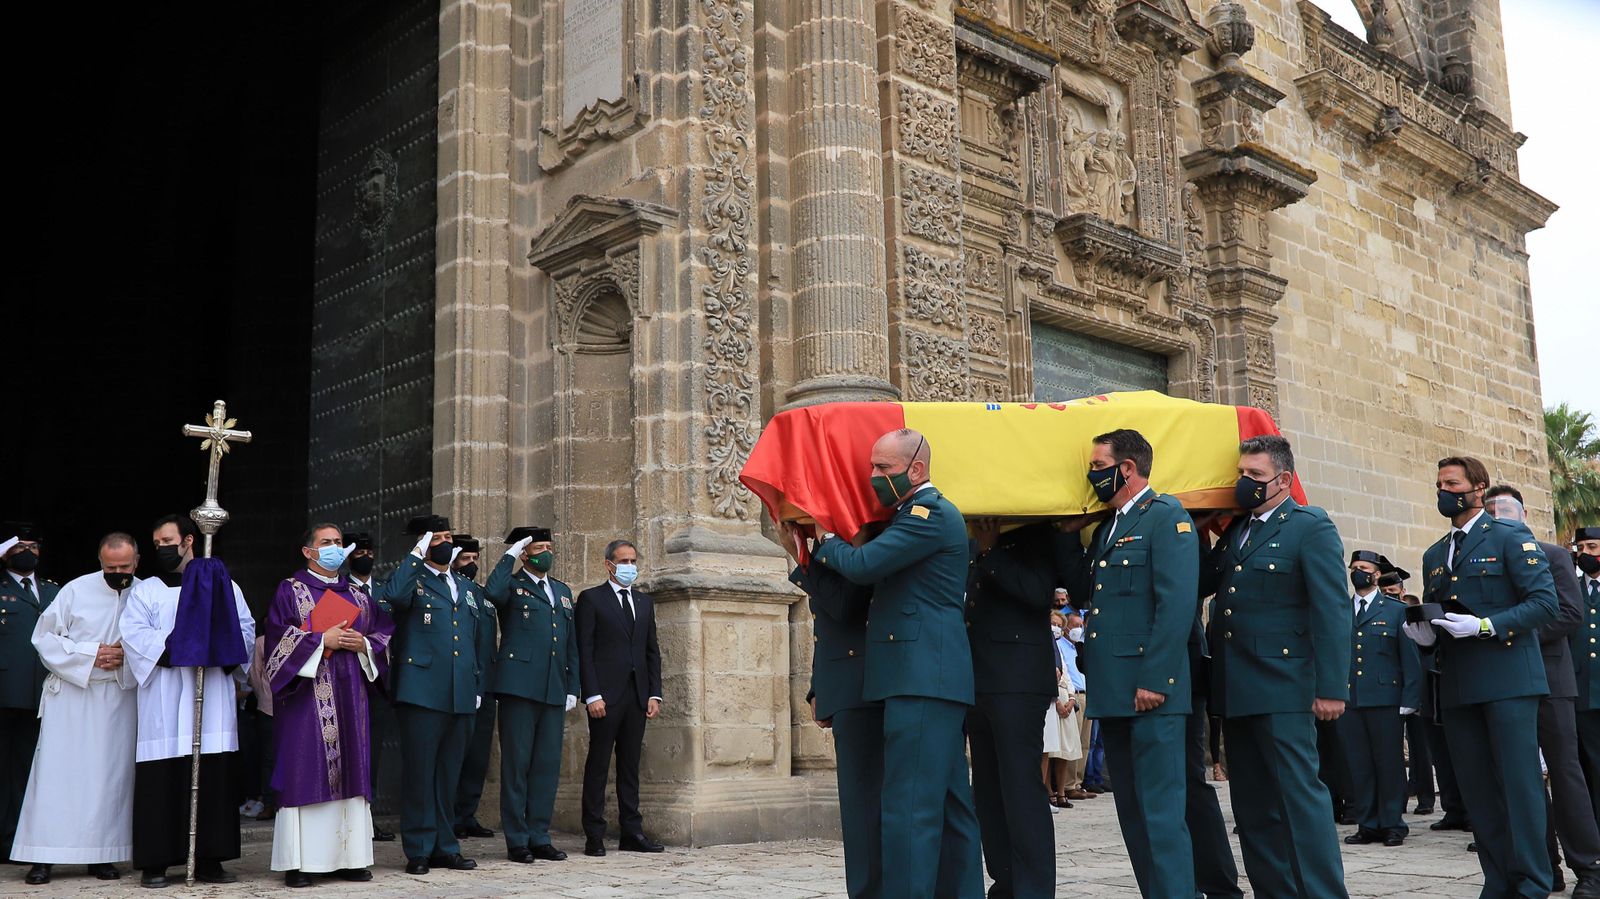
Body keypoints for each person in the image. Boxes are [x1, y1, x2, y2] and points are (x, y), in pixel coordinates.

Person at [810, 429, 983, 899]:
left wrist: (823, 539)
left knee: (909, 809)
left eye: (883, 469)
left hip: (921, 677)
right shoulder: (912, 515)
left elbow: (864, 565)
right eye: (871, 467)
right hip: (928, 676)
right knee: (948, 804)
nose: (873, 477)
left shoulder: (927, 514)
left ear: (917, 469)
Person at [1403, 457, 1558, 899]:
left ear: (1478, 489)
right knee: (1477, 789)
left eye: (1451, 483)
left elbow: (1544, 604)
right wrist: (1424, 635)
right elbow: (1439, 614)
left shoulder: (1510, 536)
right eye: (1438, 483)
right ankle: (1497, 880)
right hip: (1458, 683)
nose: (1443, 491)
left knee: (1518, 784)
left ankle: (1532, 881)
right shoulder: (1435, 553)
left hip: (1508, 677)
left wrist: (1486, 626)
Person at [1201, 435, 1349, 898]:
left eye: (1256, 476)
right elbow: (1205, 583)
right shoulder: (1235, 531)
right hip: (1236, 684)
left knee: (1299, 803)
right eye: (1241, 474)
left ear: (1283, 480)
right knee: (1252, 807)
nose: (1245, 483)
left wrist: (1332, 687)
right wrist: (1197, 523)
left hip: (1285, 687)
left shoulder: (1309, 525)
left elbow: (1332, 609)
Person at [1077, 428, 1196, 898]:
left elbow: (1176, 605)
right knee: (1131, 811)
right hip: (1114, 690)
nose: (1092, 474)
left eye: (1098, 466)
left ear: (1127, 468)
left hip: (1152, 692)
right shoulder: (1107, 527)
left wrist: (1156, 678)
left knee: (1161, 814)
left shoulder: (1166, 517)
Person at [120, 513, 254, 888]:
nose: (161, 548)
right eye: (157, 543)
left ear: (189, 541)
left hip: (208, 697)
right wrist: (184, 644)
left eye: (167, 541)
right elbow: (133, 635)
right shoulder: (146, 591)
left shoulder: (225, 588)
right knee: (161, 782)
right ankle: (156, 863)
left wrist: (216, 646)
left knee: (213, 776)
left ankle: (210, 859)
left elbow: (244, 630)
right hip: (163, 698)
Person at [262, 523, 393, 887]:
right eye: (326, 543)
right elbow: (276, 644)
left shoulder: (359, 596)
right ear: (308, 551)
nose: (335, 548)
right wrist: (321, 640)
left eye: (338, 542)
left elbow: (383, 637)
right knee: (306, 771)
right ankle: (300, 863)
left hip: (351, 699)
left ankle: (351, 858)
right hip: (306, 701)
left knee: (352, 770)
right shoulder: (291, 591)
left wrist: (361, 644)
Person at [1485, 488, 1600, 896]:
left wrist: (1510, 633)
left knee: (1566, 774)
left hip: (1551, 679)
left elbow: (1570, 612)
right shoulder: (1487, 559)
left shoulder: (1552, 556)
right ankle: (1542, 866)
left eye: (1506, 509)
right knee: (1522, 779)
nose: (1499, 515)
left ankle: (1589, 868)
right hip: (1507, 683)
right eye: (1493, 510)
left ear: (1524, 512)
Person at [11, 532, 139, 884]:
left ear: (136, 562)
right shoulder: (74, 590)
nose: (118, 572)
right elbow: (43, 638)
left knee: (108, 780)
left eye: (124, 566)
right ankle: (43, 856)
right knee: (56, 777)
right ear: (100, 563)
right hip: (72, 696)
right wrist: (90, 653)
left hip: (117, 697)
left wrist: (125, 655)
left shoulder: (145, 593)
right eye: (110, 567)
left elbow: (153, 642)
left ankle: (102, 855)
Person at [379, 515, 491, 876]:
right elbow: (393, 596)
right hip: (422, 692)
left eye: (446, 536)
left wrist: (476, 686)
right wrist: (415, 555)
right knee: (420, 773)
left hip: (460, 693)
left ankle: (446, 845)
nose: (444, 542)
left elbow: (476, 640)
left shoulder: (464, 585)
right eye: (435, 537)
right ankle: (419, 848)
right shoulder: (413, 580)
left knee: (448, 775)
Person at [783, 520, 881, 899]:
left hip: (867, 688)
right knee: (858, 808)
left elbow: (843, 606)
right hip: (845, 688)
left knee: (867, 806)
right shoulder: (832, 554)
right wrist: (817, 685)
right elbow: (824, 626)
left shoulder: (861, 547)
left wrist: (803, 558)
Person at [964, 519, 1059, 898]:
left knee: (1020, 789)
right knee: (986, 790)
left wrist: (989, 551)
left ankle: (1034, 889)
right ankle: (1005, 882)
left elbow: (1037, 592)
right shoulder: (973, 532)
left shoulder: (1034, 530)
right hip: (977, 677)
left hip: (1017, 681)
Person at [485, 527, 579, 864]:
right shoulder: (512, 585)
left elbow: (571, 645)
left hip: (553, 688)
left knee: (546, 766)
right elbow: (492, 593)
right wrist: (510, 555)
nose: (546, 553)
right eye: (538, 548)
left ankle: (540, 835)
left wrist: (573, 686)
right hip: (518, 687)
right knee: (517, 765)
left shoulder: (562, 591)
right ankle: (517, 839)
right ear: (525, 553)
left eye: (549, 547)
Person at [576, 539, 665, 856]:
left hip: (637, 695)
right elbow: (584, 651)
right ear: (608, 564)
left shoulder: (644, 603)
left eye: (633, 560)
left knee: (630, 765)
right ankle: (594, 834)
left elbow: (651, 651)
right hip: (605, 697)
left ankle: (632, 831)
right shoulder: (591, 600)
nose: (629, 566)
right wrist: (592, 695)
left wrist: (654, 693)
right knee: (598, 764)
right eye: (623, 561)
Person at [1338, 549, 1420, 848]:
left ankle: (1392, 823)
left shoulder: (1395, 610)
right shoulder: (1341, 610)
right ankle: (1367, 823)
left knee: (1388, 763)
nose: (1358, 571)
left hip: (1386, 696)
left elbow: (1409, 658)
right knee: (1359, 763)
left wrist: (1410, 697)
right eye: (1355, 567)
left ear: (1376, 574)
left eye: (1364, 568)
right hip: (1350, 699)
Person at [1, 525, 56, 867]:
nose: (29, 552)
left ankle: (22, 841)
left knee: (29, 769)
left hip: (43, 695)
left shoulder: (53, 590)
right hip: (5, 694)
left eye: (34, 546)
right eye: (21, 546)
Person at [344, 531, 395, 842]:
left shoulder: (387, 592)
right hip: (349, 681)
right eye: (359, 552)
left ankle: (369, 818)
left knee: (372, 754)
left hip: (378, 684)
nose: (365, 556)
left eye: (369, 551)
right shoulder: (339, 590)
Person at [450, 535, 498, 841]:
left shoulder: (483, 595)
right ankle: (450, 815)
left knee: (479, 754)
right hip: (459, 681)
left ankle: (467, 813)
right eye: (466, 559)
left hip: (486, 682)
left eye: (476, 559)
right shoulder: (450, 592)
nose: (473, 565)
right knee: (456, 752)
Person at [1382, 569, 1436, 816]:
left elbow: (1418, 656)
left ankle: (1425, 797)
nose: (1388, 596)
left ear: (1402, 592)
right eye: (1384, 592)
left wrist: (1414, 693)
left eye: (1392, 591)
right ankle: (1402, 795)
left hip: (1414, 687)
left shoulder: (1408, 614)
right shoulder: (1382, 615)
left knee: (1419, 745)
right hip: (1391, 688)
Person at [1575, 525, 1600, 819]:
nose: (1585, 554)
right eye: (1581, 549)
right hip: (1579, 690)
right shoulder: (1569, 586)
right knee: (1584, 763)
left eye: (1592, 548)